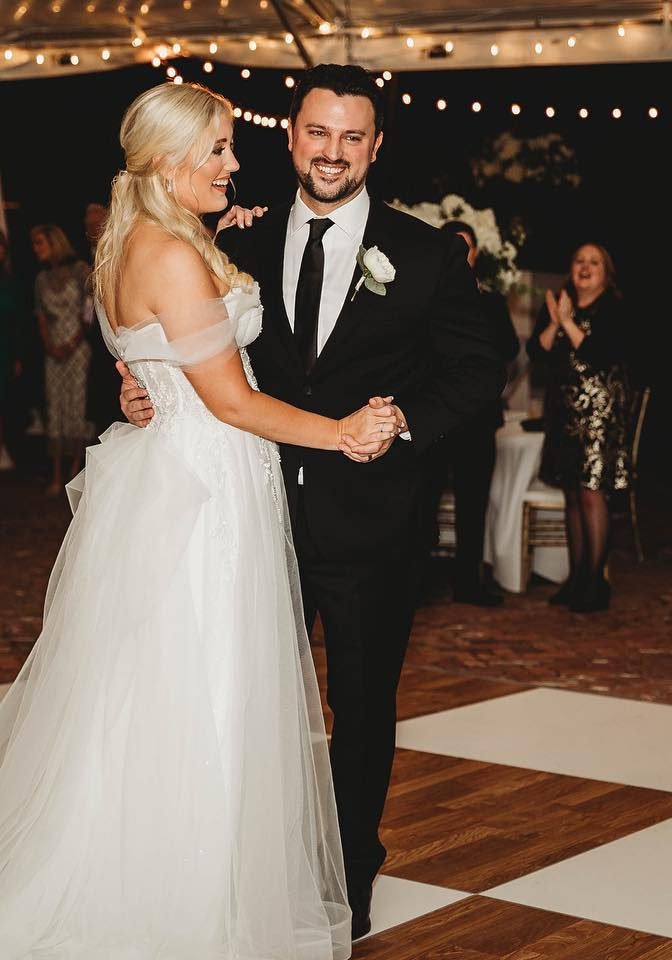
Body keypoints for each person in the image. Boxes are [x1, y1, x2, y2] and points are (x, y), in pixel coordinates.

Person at [0, 81, 411, 958]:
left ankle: (175, 874)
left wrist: (148, 368)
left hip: (175, 477)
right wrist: (339, 433)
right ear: (166, 160)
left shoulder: (134, 239)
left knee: (159, 689)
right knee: (210, 690)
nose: (233, 161)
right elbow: (229, 399)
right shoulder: (171, 252)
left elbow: (155, 350)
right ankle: (190, 906)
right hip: (207, 490)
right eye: (218, 149)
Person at [120, 64, 505, 938]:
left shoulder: (426, 253)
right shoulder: (236, 244)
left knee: (360, 709)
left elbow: (481, 369)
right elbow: (187, 349)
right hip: (247, 521)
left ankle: (348, 873)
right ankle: (253, 864)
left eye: (352, 137)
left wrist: (403, 419)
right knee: (241, 697)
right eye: (317, 133)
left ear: (375, 147)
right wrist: (139, 389)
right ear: (290, 137)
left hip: (373, 522)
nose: (333, 152)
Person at [526, 242, 630, 612]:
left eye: (594, 262)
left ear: (607, 272)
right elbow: (536, 354)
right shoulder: (559, 301)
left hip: (599, 417)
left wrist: (567, 322)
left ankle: (595, 582)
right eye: (579, 261)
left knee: (591, 493)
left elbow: (598, 355)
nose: (585, 267)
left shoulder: (614, 307)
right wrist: (554, 320)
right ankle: (575, 579)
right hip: (564, 414)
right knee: (571, 491)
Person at [423, 219, 520, 606]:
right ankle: (418, 582)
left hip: (478, 420)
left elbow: (509, 350)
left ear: (476, 254)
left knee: (473, 501)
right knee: (423, 502)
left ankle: (469, 582)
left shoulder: (491, 302)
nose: (460, 255)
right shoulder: (424, 295)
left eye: (465, 247)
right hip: (434, 418)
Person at [30, 222, 93, 494]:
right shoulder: (40, 279)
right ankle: (57, 473)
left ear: (55, 243)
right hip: (52, 351)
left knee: (77, 405)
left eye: (40, 243)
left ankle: (75, 470)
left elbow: (90, 312)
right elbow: (41, 316)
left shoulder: (80, 271)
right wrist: (50, 345)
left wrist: (73, 342)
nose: (36, 249)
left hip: (78, 348)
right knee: (56, 408)